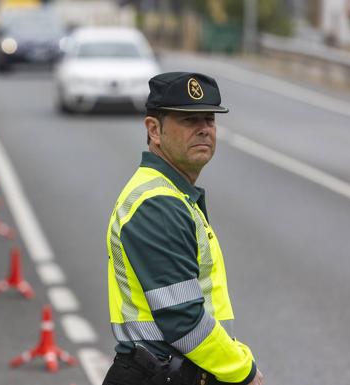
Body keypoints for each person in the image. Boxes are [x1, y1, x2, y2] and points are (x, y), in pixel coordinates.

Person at [103, 72, 264, 385]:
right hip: (160, 374)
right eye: (189, 120)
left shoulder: (171, 194)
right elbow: (182, 319)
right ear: (154, 130)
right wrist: (244, 370)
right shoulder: (158, 204)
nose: (204, 128)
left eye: (210, 119)